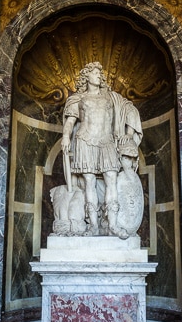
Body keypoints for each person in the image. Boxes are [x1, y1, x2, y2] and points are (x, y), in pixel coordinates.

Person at [61, 62, 142, 237]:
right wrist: (66, 136)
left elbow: (127, 109)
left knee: (111, 179)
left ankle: (113, 225)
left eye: (100, 73)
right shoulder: (78, 99)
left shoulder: (110, 98)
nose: (99, 75)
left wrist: (128, 133)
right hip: (85, 141)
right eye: (96, 73)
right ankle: (93, 226)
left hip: (106, 141)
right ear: (86, 77)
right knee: (89, 182)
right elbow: (69, 122)